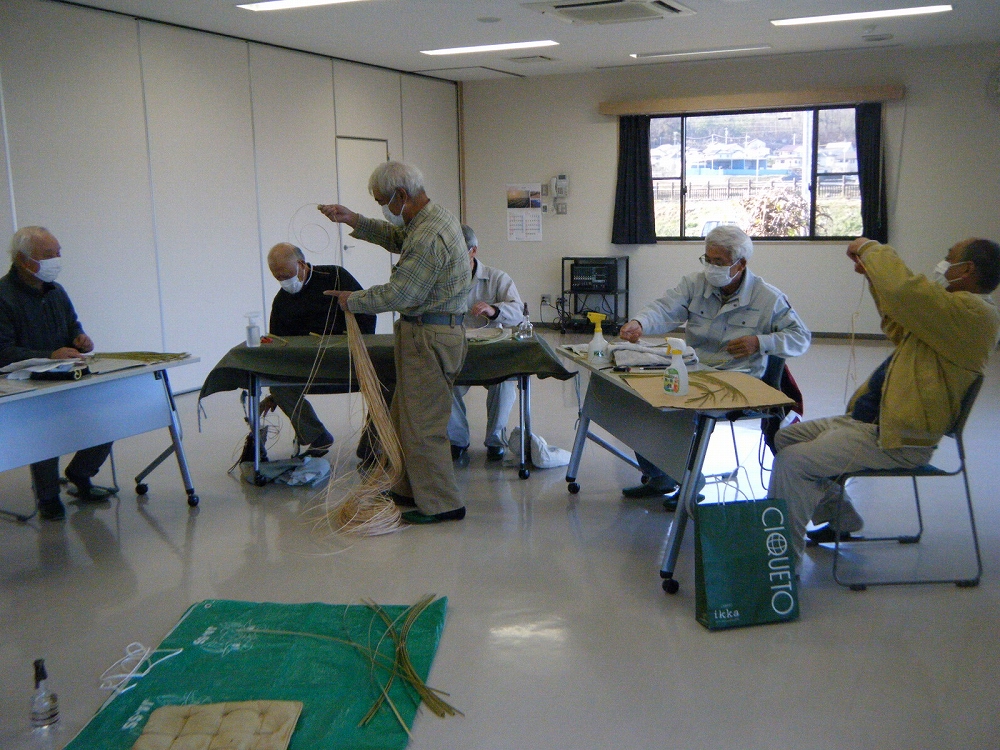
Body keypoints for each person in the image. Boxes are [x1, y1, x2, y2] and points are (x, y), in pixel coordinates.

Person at [768, 236, 1000, 567]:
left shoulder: (974, 314)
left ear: (967, 269)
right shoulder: (951, 316)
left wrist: (871, 249)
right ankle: (841, 517)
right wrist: (874, 276)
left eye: (949, 257)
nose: (943, 263)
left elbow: (906, 292)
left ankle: (780, 567)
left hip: (897, 438)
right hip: (871, 423)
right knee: (785, 438)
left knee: (793, 462)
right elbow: (899, 318)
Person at [319, 161, 470, 524]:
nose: (383, 209)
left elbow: (402, 293)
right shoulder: (429, 218)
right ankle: (406, 488)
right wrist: (353, 219)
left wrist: (352, 300)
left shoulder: (428, 235)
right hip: (425, 333)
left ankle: (442, 504)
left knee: (423, 426)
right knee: (404, 417)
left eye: (382, 202)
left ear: (401, 195)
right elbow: (397, 237)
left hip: (429, 337)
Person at [618, 225, 811, 508]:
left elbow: (800, 337)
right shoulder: (694, 284)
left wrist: (759, 342)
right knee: (639, 399)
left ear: (740, 264)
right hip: (695, 369)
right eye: (707, 259)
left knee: (680, 410)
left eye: (719, 262)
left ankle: (690, 482)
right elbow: (665, 308)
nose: (711, 267)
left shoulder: (767, 297)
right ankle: (660, 476)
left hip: (739, 379)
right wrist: (640, 323)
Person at [0, 227, 113, 520]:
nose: (56, 260)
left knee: (109, 415)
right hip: (25, 385)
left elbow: (73, 325)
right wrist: (50, 355)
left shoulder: (56, 291)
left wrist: (80, 339)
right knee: (46, 430)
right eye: (48, 255)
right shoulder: (3, 296)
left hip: (66, 375)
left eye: (58, 253)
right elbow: (3, 352)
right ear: (24, 260)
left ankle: (80, 473)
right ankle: (48, 496)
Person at [260, 242, 377, 459]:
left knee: (387, 380)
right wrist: (274, 395)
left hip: (349, 360)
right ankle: (317, 436)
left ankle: (372, 444)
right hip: (309, 367)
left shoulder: (335, 276)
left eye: (287, 275)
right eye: (278, 278)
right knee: (279, 387)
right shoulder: (282, 301)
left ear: (301, 264)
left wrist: (360, 348)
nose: (284, 282)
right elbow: (279, 346)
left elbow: (367, 310)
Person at [448, 224, 524, 461]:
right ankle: (457, 440)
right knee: (443, 383)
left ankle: (495, 440)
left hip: (491, 351)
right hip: (456, 349)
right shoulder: (443, 280)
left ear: (473, 251)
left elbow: (518, 312)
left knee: (503, 384)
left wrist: (494, 310)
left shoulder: (497, 278)